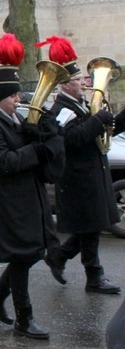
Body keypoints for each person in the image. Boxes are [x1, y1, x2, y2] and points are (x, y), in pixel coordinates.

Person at [0, 34, 63, 340]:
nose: (18, 99)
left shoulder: (11, 120)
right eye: (13, 95)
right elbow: (0, 161)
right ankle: (24, 319)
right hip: (9, 201)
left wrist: (39, 136)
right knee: (23, 256)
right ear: (0, 96)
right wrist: (33, 151)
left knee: (27, 254)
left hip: (26, 198)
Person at [40, 36, 123, 294]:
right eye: (79, 81)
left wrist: (117, 119)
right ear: (65, 85)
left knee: (93, 226)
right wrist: (98, 120)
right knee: (91, 226)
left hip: (92, 173)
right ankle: (93, 276)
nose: (85, 84)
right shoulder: (61, 109)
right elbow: (72, 139)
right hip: (78, 178)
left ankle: (62, 258)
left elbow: (101, 134)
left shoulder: (81, 105)